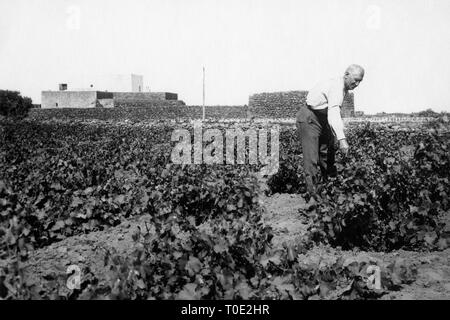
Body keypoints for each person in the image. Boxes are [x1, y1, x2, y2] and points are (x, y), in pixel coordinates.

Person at [296, 64, 365, 197]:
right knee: (311, 159)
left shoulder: (343, 87)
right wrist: (342, 139)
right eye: (355, 79)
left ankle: (330, 189)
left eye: (359, 81)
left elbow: (332, 112)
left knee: (327, 152)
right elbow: (333, 113)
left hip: (322, 118)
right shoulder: (336, 87)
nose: (356, 84)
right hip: (309, 118)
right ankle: (314, 196)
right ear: (346, 75)